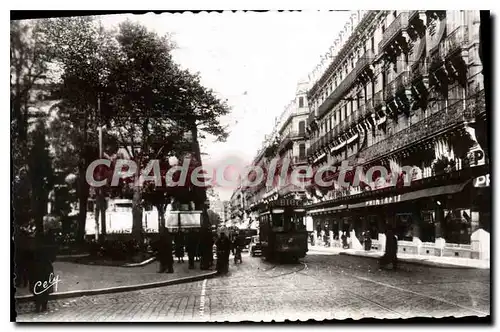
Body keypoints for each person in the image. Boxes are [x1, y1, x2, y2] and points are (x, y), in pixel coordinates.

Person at [29, 233, 56, 313]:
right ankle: (43, 306)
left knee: (36, 288)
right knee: (45, 288)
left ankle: (38, 305)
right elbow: (52, 258)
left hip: (36, 270)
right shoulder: (47, 248)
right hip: (45, 269)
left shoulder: (33, 249)